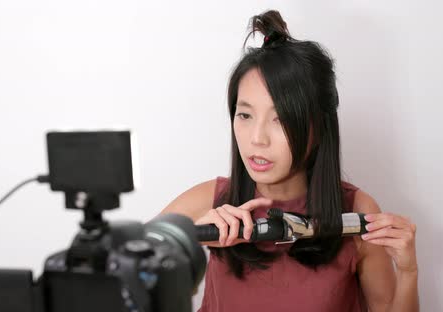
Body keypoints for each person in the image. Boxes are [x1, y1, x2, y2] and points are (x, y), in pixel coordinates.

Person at [159, 10, 419, 312]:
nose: (257, 138)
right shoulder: (211, 199)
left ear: (319, 129)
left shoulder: (358, 213)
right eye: (245, 115)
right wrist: (188, 238)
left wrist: (409, 272)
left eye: (279, 119)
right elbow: (122, 267)